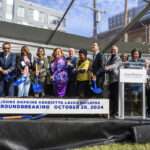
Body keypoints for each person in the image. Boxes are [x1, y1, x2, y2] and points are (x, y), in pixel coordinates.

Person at [105, 45, 122, 116]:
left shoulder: (118, 58)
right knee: (111, 96)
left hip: (116, 80)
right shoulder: (109, 58)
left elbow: (115, 65)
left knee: (115, 97)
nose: (113, 50)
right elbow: (106, 66)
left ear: (117, 51)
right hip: (111, 80)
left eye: (114, 49)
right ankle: (112, 111)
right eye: (112, 49)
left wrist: (107, 67)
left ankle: (116, 111)